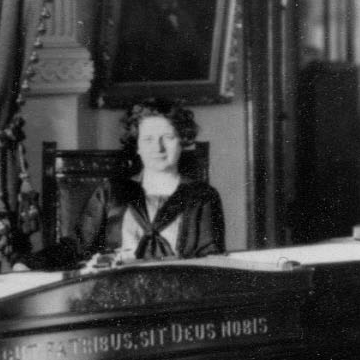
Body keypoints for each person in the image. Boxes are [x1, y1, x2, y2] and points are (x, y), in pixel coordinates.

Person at [30, 98, 225, 269]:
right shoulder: (112, 192)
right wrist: (29, 263)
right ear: (137, 145)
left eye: (168, 137)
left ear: (182, 141)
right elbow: (77, 245)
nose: (158, 147)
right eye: (148, 139)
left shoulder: (202, 196)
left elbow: (210, 258)